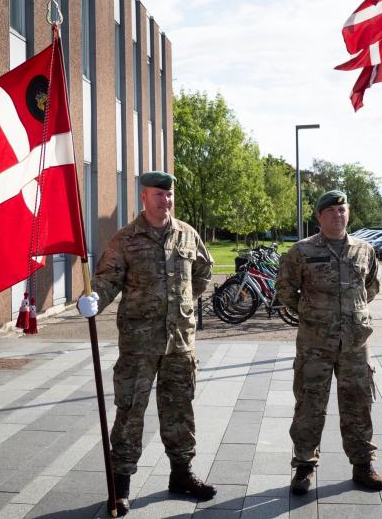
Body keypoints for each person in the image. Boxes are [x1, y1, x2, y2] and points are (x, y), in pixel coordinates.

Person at [76, 170, 216, 516]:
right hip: (139, 345)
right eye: (158, 195)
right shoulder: (126, 239)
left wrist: (182, 305)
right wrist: (93, 298)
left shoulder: (187, 235)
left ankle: (181, 474)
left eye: (169, 196)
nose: (165, 201)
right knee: (130, 412)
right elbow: (108, 280)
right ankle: (120, 486)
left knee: (180, 409)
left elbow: (204, 272)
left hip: (180, 343)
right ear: (144, 198)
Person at [275, 189, 382, 494]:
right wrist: (312, 315)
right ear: (319, 216)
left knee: (358, 404)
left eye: (343, 210)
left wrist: (353, 313)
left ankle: (363, 464)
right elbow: (285, 289)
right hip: (315, 343)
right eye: (332, 211)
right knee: (310, 403)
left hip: (355, 344)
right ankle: (304, 467)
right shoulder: (301, 252)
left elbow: (371, 286)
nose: (339, 215)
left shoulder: (364, 250)